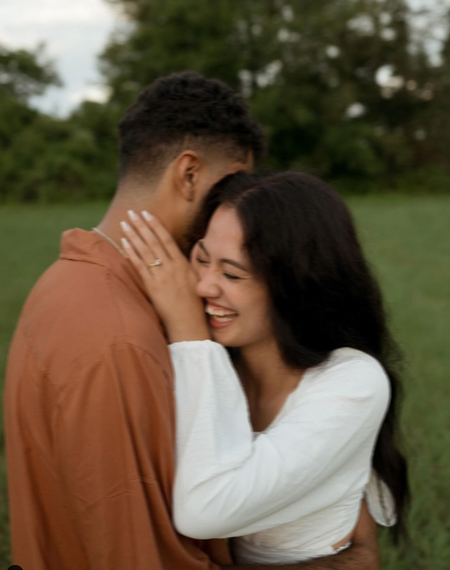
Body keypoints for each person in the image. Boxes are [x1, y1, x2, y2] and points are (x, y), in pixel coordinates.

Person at [4, 70, 379, 570]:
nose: (239, 203)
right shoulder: (119, 336)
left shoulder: (63, 284)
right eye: (232, 183)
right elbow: (138, 553)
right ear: (188, 175)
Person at [119, 171, 409, 565]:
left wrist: (189, 334)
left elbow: (204, 512)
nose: (203, 286)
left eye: (232, 273)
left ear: (298, 285)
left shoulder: (353, 381)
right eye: (201, 258)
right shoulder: (212, 362)